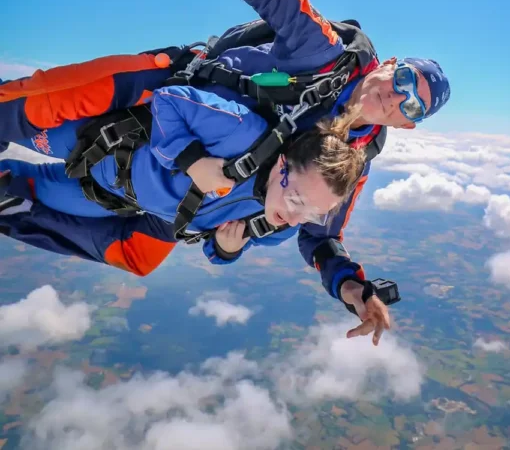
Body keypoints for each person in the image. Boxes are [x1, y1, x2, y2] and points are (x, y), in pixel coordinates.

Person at [1, 0, 450, 342]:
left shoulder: (353, 160)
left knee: (135, 254)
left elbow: (318, 234)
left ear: (407, 123)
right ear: (390, 63)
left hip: (173, 190)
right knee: (31, 103)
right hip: (155, 100)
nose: (397, 96)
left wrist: (351, 289)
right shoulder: (327, 57)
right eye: (404, 79)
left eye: (411, 104)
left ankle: (13, 199)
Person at [0, 83, 392, 342]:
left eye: (311, 214)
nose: (294, 218)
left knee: (13, 192)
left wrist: (224, 250)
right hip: (95, 139)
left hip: (106, 196)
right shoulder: (244, 135)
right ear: (282, 166)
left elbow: (209, 247)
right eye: (296, 201)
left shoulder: (274, 228)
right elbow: (169, 99)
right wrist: (192, 162)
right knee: (7, 119)